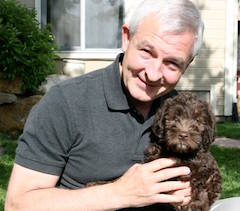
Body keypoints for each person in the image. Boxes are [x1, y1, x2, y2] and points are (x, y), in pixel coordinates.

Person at [5, 0, 204, 210]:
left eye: (172, 63)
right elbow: (18, 204)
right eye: (146, 51)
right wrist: (119, 193)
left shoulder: (182, 111)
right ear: (126, 38)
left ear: (188, 64)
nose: (153, 74)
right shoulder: (65, 103)